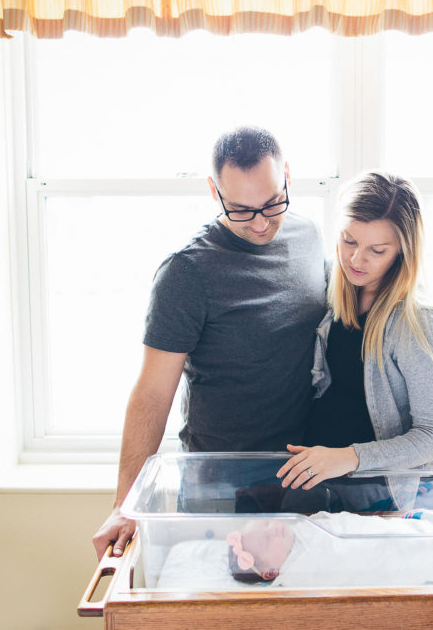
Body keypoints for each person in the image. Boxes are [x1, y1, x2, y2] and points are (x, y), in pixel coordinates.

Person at [92, 126, 327, 560]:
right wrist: (123, 505)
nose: (260, 222)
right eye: (241, 209)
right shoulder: (187, 273)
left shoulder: (309, 237)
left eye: (272, 203)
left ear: (288, 177)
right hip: (218, 482)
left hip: (301, 475)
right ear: (213, 191)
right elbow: (152, 392)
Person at [276, 171, 433, 492]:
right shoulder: (331, 286)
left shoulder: (418, 320)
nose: (356, 259)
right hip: (328, 482)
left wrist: (349, 457)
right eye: (349, 241)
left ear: (402, 250)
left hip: (386, 493)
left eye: (377, 250)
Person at [225, 510, 433, 587]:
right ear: (271, 572)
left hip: (382, 532)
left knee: (398, 532)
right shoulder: (300, 575)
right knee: (415, 548)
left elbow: (344, 521)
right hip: (385, 553)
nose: (274, 529)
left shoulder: (304, 528)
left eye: (268, 523)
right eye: (268, 541)